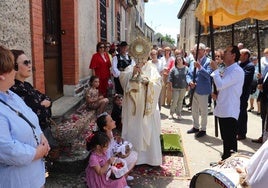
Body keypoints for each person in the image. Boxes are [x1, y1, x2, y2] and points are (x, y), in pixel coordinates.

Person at [0, 45, 50, 187]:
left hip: (34, 175)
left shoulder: (11, 95)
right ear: (2, 75)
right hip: (16, 180)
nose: (15, 72)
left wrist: (41, 136)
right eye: (12, 68)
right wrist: (36, 153)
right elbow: (6, 149)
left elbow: (31, 118)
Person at [9, 49, 58, 149]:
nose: (30, 65)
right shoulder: (14, 89)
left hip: (42, 132)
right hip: (32, 138)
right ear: (15, 66)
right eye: (25, 63)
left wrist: (43, 105)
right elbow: (39, 114)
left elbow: (47, 98)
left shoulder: (27, 85)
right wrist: (44, 105)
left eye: (29, 62)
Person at [120, 57, 162, 166]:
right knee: (133, 129)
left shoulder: (152, 68)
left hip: (146, 107)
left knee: (148, 128)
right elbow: (122, 79)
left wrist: (148, 83)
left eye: (142, 55)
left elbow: (158, 84)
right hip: (133, 108)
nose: (140, 58)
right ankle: (132, 159)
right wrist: (132, 73)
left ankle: (149, 159)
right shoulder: (130, 68)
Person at [210, 45, 244, 160]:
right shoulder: (224, 67)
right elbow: (218, 84)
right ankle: (225, 159)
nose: (223, 54)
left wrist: (215, 69)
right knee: (225, 138)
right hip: (222, 107)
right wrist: (216, 93)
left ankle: (231, 163)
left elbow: (221, 84)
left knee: (230, 140)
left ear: (233, 55)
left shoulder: (237, 71)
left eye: (226, 52)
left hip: (230, 109)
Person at [96, 113, 137, 181]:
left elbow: (112, 145)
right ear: (105, 127)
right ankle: (122, 178)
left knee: (133, 155)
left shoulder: (110, 132)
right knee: (129, 159)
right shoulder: (104, 140)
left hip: (113, 156)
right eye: (111, 121)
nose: (114, 121)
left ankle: (124, 176)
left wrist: (117, 141)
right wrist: (118, 154)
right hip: (107, 161)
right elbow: (106, 154)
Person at [186, 43, 212, 138]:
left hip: (203, 90)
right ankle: (195, 126)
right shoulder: (193, 61)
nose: (194, 52)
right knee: (194, 110)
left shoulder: (208, 62)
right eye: (193, 50)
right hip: (193, 89)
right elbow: (188, 74)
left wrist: (200, 67)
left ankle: (203, 129)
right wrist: (189, 82)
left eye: (197, 50)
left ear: (203, 51)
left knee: (204, 111)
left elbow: (208, 75)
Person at [237, 48, 255, 140]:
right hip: (236, 93)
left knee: (242, 113)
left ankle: (242, 133)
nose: (239, 56)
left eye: (240, 54)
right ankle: (237, 130)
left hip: (243, 93)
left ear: (246, 55)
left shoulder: (250, 66)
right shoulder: (239, 64)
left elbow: (243, 78)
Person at [168, 55, 188, 120]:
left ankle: (178, 114)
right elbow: (170, 79)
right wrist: (170, 87)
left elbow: (188, 78)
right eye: (177, 60)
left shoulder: (186, 68)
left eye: (180, 60)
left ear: (183, 60)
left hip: (183, 87)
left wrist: (188, 86)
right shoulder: (173, 69)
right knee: (174, 101)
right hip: (175, 87)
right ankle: (171, 113)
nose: (179, 61)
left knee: (180, 101)